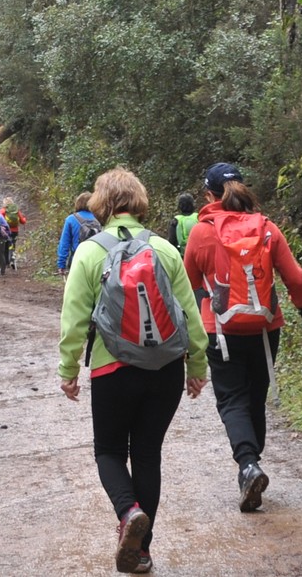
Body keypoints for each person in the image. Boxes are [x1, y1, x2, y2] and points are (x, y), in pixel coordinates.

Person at [59, 167, 207, 574]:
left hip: (113, 369)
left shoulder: (90, 252)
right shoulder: (165, 249)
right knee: (147, 454)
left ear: (101, 204)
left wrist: (69, 368)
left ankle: (128, 513)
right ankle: (141, 551)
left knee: (108, 451)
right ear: (139, 201)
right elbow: (190, 315)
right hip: (165, 370)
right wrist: (197, 365)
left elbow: (73, 318)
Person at [181, 162, 302, 513]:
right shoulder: (267, 228)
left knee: (232, 399)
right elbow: (296, 279)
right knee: (255, 395)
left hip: (221, 330)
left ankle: (248, 464)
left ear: (208, 195)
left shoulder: (201, 232)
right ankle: (252, 461)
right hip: (265, 329)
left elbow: (188, 282)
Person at [56, 192, 98, 273]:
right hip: (96, 261)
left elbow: (64, 243)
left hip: (77, 261)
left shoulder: (71, 219)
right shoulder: (99, 218)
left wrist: (61, 264)